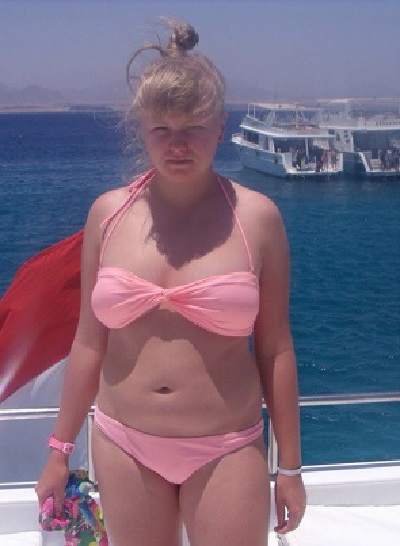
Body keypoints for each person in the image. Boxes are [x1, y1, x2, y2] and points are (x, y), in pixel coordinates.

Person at [35, 18, 306, 546]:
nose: (177, 144)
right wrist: (58, 451)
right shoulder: (107, 215)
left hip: (226, 447)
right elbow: (89, 341)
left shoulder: (258, 220)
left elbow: (275, 349)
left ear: (221, 126)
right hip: (122, 443)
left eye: (193, 128)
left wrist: (290, 468)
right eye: (161, 129)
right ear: (142, 130)